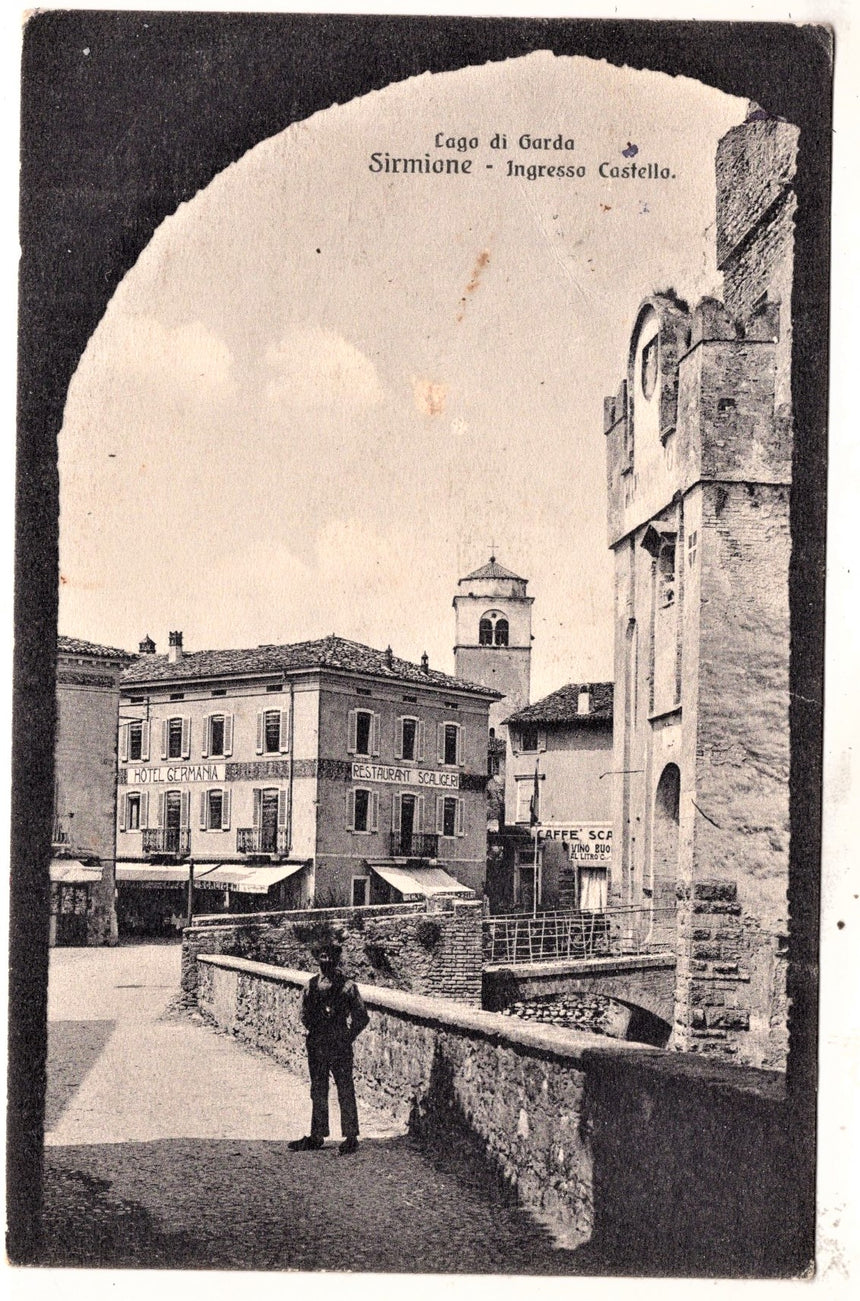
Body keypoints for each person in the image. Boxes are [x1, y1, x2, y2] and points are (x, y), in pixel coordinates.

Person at [289, 940, 369, 1155]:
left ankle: (351, 1137)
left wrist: (347, 1037)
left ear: (336, 959)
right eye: (323, 956)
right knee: (318, 1089)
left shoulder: (348, 987)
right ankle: (317, 1135)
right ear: (317, 959)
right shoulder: (310, 985)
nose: (327, 960)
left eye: (331, 956)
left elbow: (362, 1017)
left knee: (345, 1087)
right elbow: (303, 1014)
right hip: (317, 1044)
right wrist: (317, 1030)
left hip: (340, 1045)